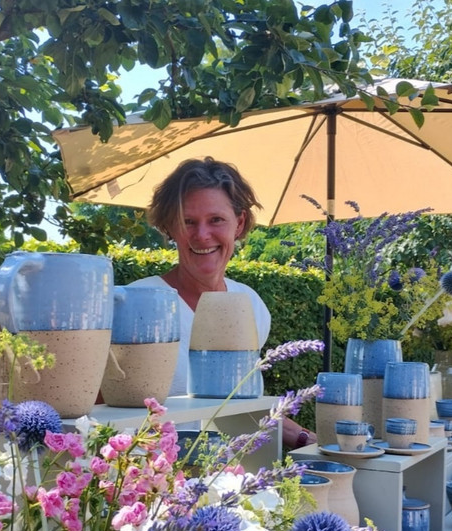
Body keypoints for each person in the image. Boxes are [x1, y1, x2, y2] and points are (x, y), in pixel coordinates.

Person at [130, 156, 317, 449]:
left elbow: (241, 406)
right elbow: (101, 415)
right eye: (187, 222)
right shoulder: (137, 304)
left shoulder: (251, 306)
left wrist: (306, 438)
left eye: (216, 220)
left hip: (231, 480)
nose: (202, 235)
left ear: (239, 223)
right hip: (150, 483)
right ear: (170, 227)